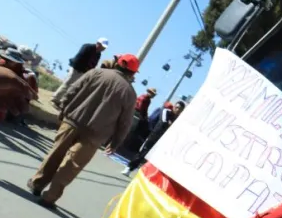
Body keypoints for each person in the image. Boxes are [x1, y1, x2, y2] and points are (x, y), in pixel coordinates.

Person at [27, 53, 138, 207]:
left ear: (118, 63)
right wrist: (115, 143)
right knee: (71, 165)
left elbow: (72, 90)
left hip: (72, 121)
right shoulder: (130, 94)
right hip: (95, 135)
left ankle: (37, 183)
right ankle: (49, 197)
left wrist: (63, 109)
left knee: (56, 153)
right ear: (133, 73)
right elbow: (125, 123)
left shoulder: (96, 73)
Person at [122, 99, 184, 176]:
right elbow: (163, 122)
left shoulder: (180, 119)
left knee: (154, 159)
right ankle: (129, 168)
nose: (178, 110)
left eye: (180, 109)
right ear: (174, 107)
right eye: (177, 107)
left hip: (164, 141)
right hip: (154, 137)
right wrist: (170, 125)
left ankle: (145, 175)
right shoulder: (166, 111)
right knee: (142, 153)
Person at [51, 37, 108, 108]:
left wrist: (89, 71)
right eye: (102, 46)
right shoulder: (87, 47)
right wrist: (81, 68)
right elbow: (79, 58)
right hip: (76, 68)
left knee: (73, 87)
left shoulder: (98, 54)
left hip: (84, 72)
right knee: (68, 84)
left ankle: (61, 101)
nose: (103, 49)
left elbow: (94, 64)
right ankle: (55, 99)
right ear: (98, 43)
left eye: (104, 48)